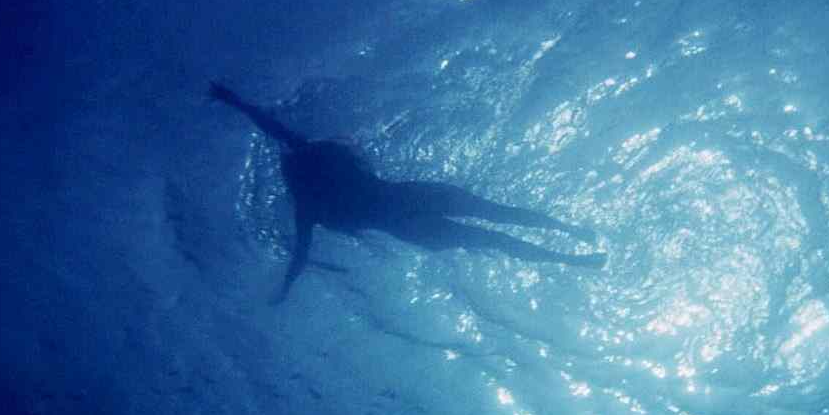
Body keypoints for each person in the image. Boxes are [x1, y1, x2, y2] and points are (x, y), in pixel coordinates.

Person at [210, 82, 607, 303]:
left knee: (495, 229)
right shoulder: (307, 191)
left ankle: (572, 248)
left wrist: (287, 286)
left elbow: (300, 254)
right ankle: (571, 247)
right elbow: (273, 128)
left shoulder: (305, 197)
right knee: (496, 223)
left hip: (410, 217)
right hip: (412, 205)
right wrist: (234, 101)